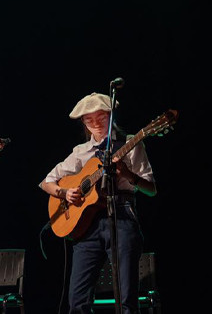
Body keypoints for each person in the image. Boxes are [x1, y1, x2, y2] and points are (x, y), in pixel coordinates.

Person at [39, 92, 157, 314]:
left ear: (110, 116)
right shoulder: (80, 152)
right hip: (87, 227)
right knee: (77, 301)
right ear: (83, 122)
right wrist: (64, 193)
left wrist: (128, 174)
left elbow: (151, 189)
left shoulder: (130, 144)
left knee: (126, 300)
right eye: (89, 119)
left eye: (101, 117)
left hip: (121, 217)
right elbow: (46, 182)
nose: (95, 123)